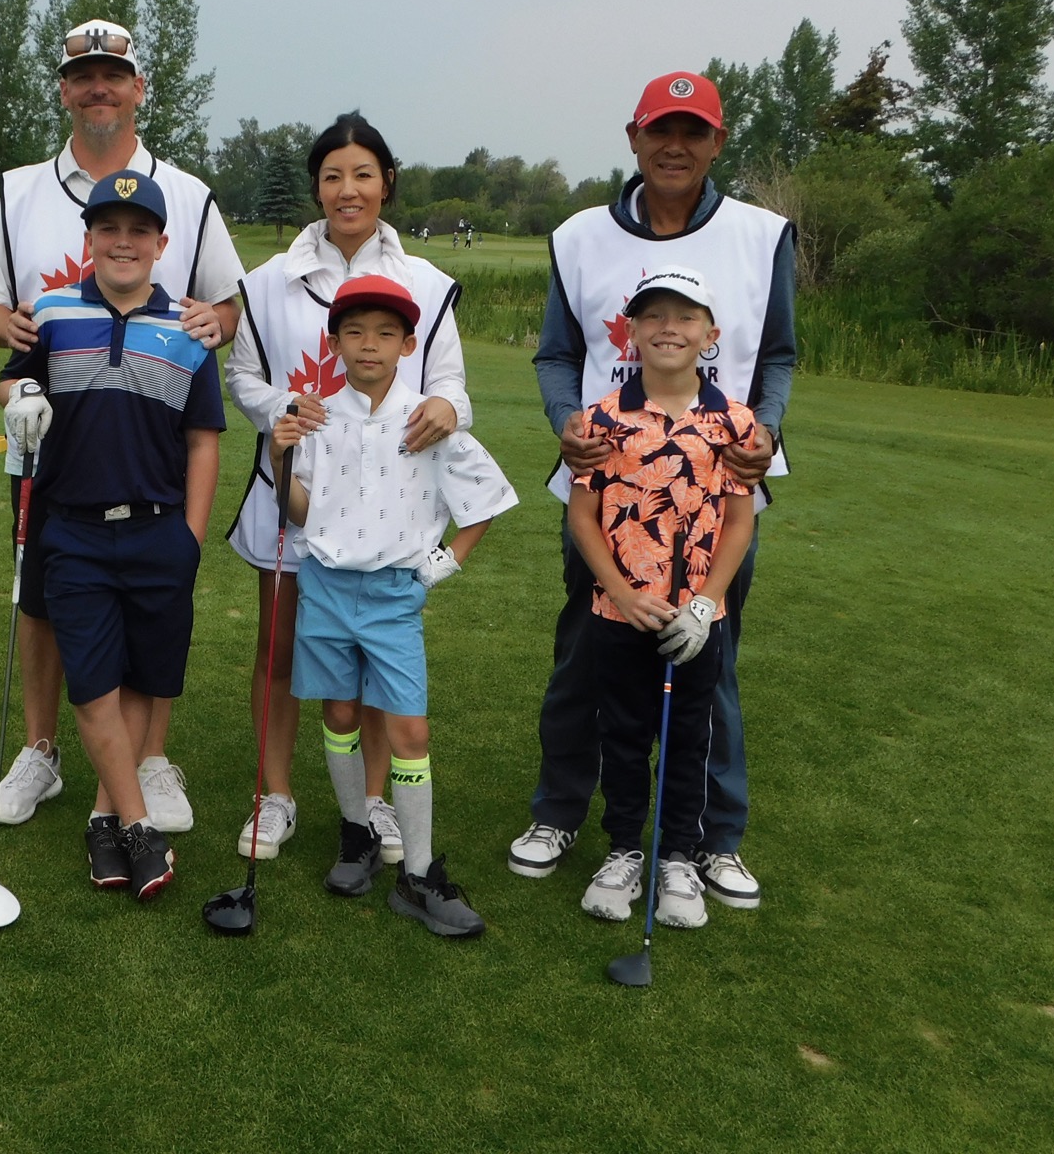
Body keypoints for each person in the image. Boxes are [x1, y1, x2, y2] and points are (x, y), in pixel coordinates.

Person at [509, 71, 795, 910]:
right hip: (608, 492)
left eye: (693, 132)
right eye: (660, 130)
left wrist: (767, 429)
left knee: (712, 662)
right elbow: (557, 355)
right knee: (586, 658)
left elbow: (778, 354)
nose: (675, 146)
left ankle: (712, 838)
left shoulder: (761, 234)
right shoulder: (579, 236)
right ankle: (562, 813)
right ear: (633, 137)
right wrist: (565, 422)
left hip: (718, 485)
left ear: (717, 141)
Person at [0, 18, 245, 834]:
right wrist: (20, 342)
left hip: (151, 443)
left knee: (153, 605)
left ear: (138, 88)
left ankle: (149, 760)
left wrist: (214, 326)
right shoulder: (19, 190)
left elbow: (227, 304)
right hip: (51, 443)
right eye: (84, 76)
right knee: (43, 600)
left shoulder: (187, 193)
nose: (99, 88)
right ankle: (41, 750)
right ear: (65, 89)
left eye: (113, 76)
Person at [223, 113, 469, 863]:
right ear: (317, 187)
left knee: (368, 660)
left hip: (385, 512)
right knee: (278, 649)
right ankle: (274, 795)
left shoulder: (427, 285)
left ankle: (372, 804)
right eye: (332, 176)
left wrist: (445, 408)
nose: (348, 189)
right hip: (293, 495)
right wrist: (290, 413)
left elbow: (451, 387)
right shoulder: (267, 282)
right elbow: (244, 377)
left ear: (386, 183)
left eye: (363, 174)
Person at [0, 170, 225, 900]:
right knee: (93, 681)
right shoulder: (52, 312)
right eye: (108, 229)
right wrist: (21, 392)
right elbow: (12, 380)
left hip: (159, 529)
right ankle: (139, 827)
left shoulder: (190, 328)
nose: (123, 242)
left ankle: (104, 821)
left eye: (138, 231)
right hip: (72, 529)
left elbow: (204, 440)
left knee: (139, 678)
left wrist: (191, 538)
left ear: (161, 243)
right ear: (89, 238)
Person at [270, 275, 517, 937]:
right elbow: (301, 511)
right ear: (335, 342)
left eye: (385, 333)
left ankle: (420, 874)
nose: (369, 345)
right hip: (325, 587)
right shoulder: (315, 417)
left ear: (409, 345)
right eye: (354, 332)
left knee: (410, 731)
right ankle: (356, 833)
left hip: (392, 596)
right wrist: (277, 453)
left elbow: (485, 499)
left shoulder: (428, 418)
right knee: (339, 712)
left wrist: (442, 565)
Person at [568, 268, 756, 929]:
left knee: (688, 740)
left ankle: (677, 857)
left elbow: (740, 523)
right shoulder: (601, 420)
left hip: (698, 618)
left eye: (684, 316)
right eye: (652, 316)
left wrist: (705, 603)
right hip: (619, 613)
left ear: (711, 334)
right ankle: (623, 851)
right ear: (631, 332)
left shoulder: (734, 423)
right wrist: (621, 592)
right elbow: (582, 517)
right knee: (621, 737)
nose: (667, 328)